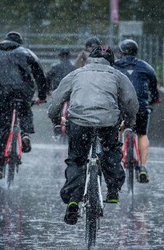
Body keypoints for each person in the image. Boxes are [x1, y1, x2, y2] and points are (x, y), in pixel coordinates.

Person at [48, 44, 139, 225]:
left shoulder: (76, 74)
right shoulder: (117, 76)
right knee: (111, 150)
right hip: (108, 122)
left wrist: (55, 118)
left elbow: (58, 98)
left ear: (90, 58)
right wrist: (129, 121)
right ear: (111, 61)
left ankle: (74, 198)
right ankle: (113, 190)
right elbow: (130, 101)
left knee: (77, 159)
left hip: (79, 122)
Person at [0, 31, 48, 179]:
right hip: (22, 92)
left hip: (1, 95)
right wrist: (41, 94)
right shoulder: (26, 53)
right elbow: (39, 73)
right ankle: (25, 133)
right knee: (25, 110)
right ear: (19, 43)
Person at [114, 38, 160, 183]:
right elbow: (154, 88)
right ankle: (143, 167)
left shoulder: (114, 66)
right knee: (142, 134)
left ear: (121, 52)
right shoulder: (146, 67)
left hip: (121, 106)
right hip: (140, 106)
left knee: (117, 130)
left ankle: (115, 162)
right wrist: (153, 100)